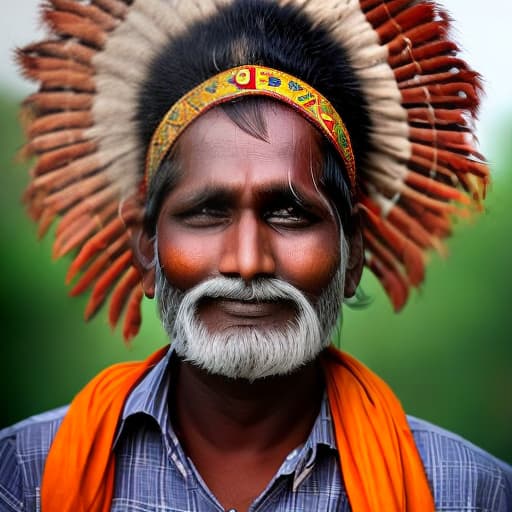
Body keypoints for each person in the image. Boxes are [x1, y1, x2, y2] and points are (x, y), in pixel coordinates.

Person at [1, 0, 511, 511]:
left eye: (289, 214)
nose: (248, 262)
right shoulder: (24, 476)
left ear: (352, 252)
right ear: (146, 249)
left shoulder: (469, 493)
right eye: (206, 212)